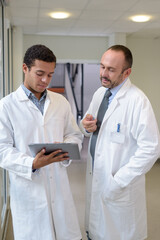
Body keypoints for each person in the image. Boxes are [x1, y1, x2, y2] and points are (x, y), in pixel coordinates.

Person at [0, 44, 83, 240]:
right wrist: (31, 164)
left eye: (50, 74)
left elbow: (74, 134)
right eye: (39, 73)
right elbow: (2, 149)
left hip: (59, 187)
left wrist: (66, 150)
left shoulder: (60, 102)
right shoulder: (6, 106)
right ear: (24, 68)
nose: (45, 80)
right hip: (28, 191)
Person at [79, 45, 160, 240]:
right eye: (102, 67)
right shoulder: (100, 94)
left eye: (111, 70)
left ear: (127, 72)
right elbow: (88, 127)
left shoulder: (137, 101)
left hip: (120, 187)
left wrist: (120, 180)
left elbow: (151, 148)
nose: (103, 74)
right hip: (97, 178)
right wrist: (85, 126)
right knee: (95, 232)